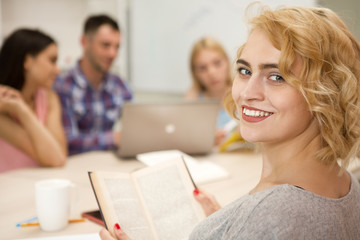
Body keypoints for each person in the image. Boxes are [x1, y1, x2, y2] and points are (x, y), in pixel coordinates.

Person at [99, 5, 360, 240]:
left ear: (324, 93)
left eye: (276, 77)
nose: (247, 93)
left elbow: (273, 220)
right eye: (245, 71)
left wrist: (247, 223)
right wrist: (229, 224)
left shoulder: (271, 213)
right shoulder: (347, 184)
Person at [54, 14, 132, 155]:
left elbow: (137, 124)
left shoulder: (119, 84)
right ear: (84, 42)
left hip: (110, 164)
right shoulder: (63, 86)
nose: (113, 53)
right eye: (105, 45)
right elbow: (66, 141)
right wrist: (112, 139)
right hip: (75, 166)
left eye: (117, 47)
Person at [0, 29, 67, 173]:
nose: (58, 70)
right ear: (27, 61)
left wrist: (21, 109)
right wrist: (22, 110)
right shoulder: (2, 105)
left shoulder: (50, 98)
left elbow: (60, 155)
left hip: (38, 185)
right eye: (52, 61)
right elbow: (55, 159)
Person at [185, 37, 234, 145]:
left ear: (227, 61)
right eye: (202, 68)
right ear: (195, 73)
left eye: (217, 63)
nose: (211, 72)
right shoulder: (194, 98)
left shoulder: (242, 93)